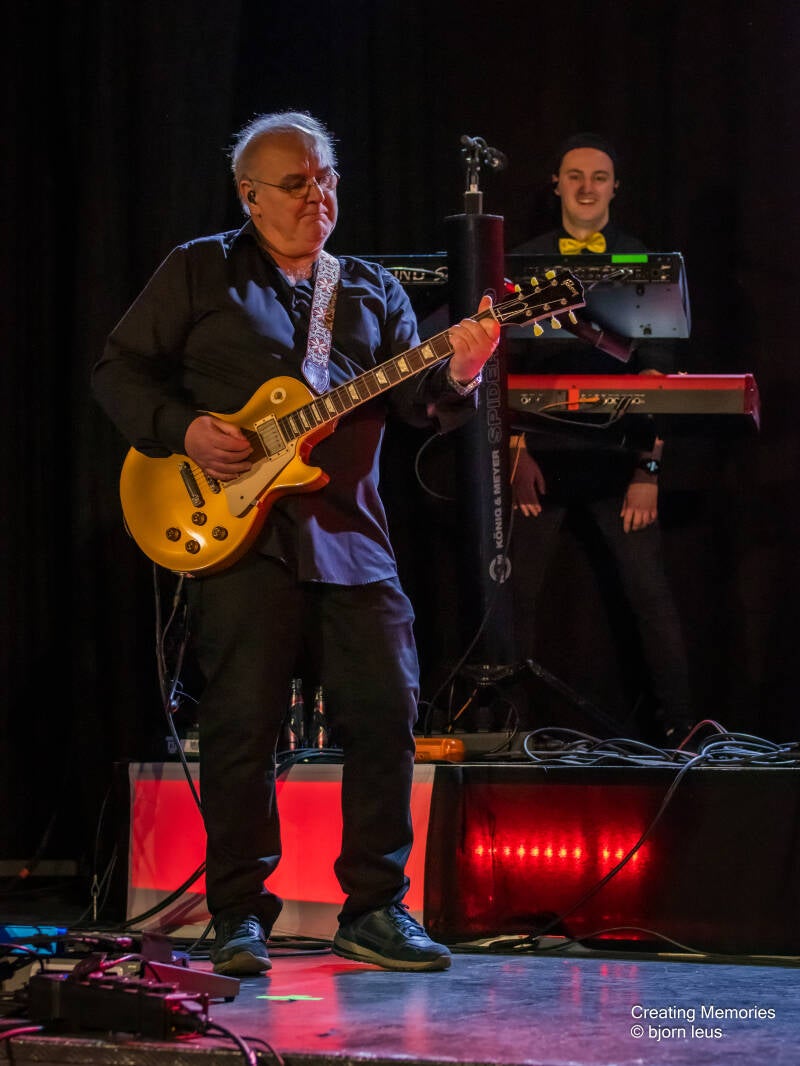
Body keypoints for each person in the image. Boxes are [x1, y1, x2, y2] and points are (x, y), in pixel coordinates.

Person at [92, 110, 500, 975]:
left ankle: (376, 909)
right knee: (242, 728)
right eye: (296, 183)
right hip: (241, 539)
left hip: (352, 534)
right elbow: (117, 372)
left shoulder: (371, 289)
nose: (318, 196)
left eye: (326, 179)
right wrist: (184, 429)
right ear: (249, 195)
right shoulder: (199, 268)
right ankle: (238, 913)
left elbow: (418, 401)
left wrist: (461, 369)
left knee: (386, 715)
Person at [508, 132, 694, 745]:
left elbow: (658, 378)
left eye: (599, 177)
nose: (586, 187)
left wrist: (649, 471)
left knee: (651, 597)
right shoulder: (523, 261)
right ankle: (505, 730)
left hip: (618, 460)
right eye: (575, 176)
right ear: (556, 185)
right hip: (540, 460)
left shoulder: (643, 260)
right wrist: (516, 456)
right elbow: (500, 372)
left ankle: (683, 731)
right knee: (513, 600)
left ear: (615, 188)